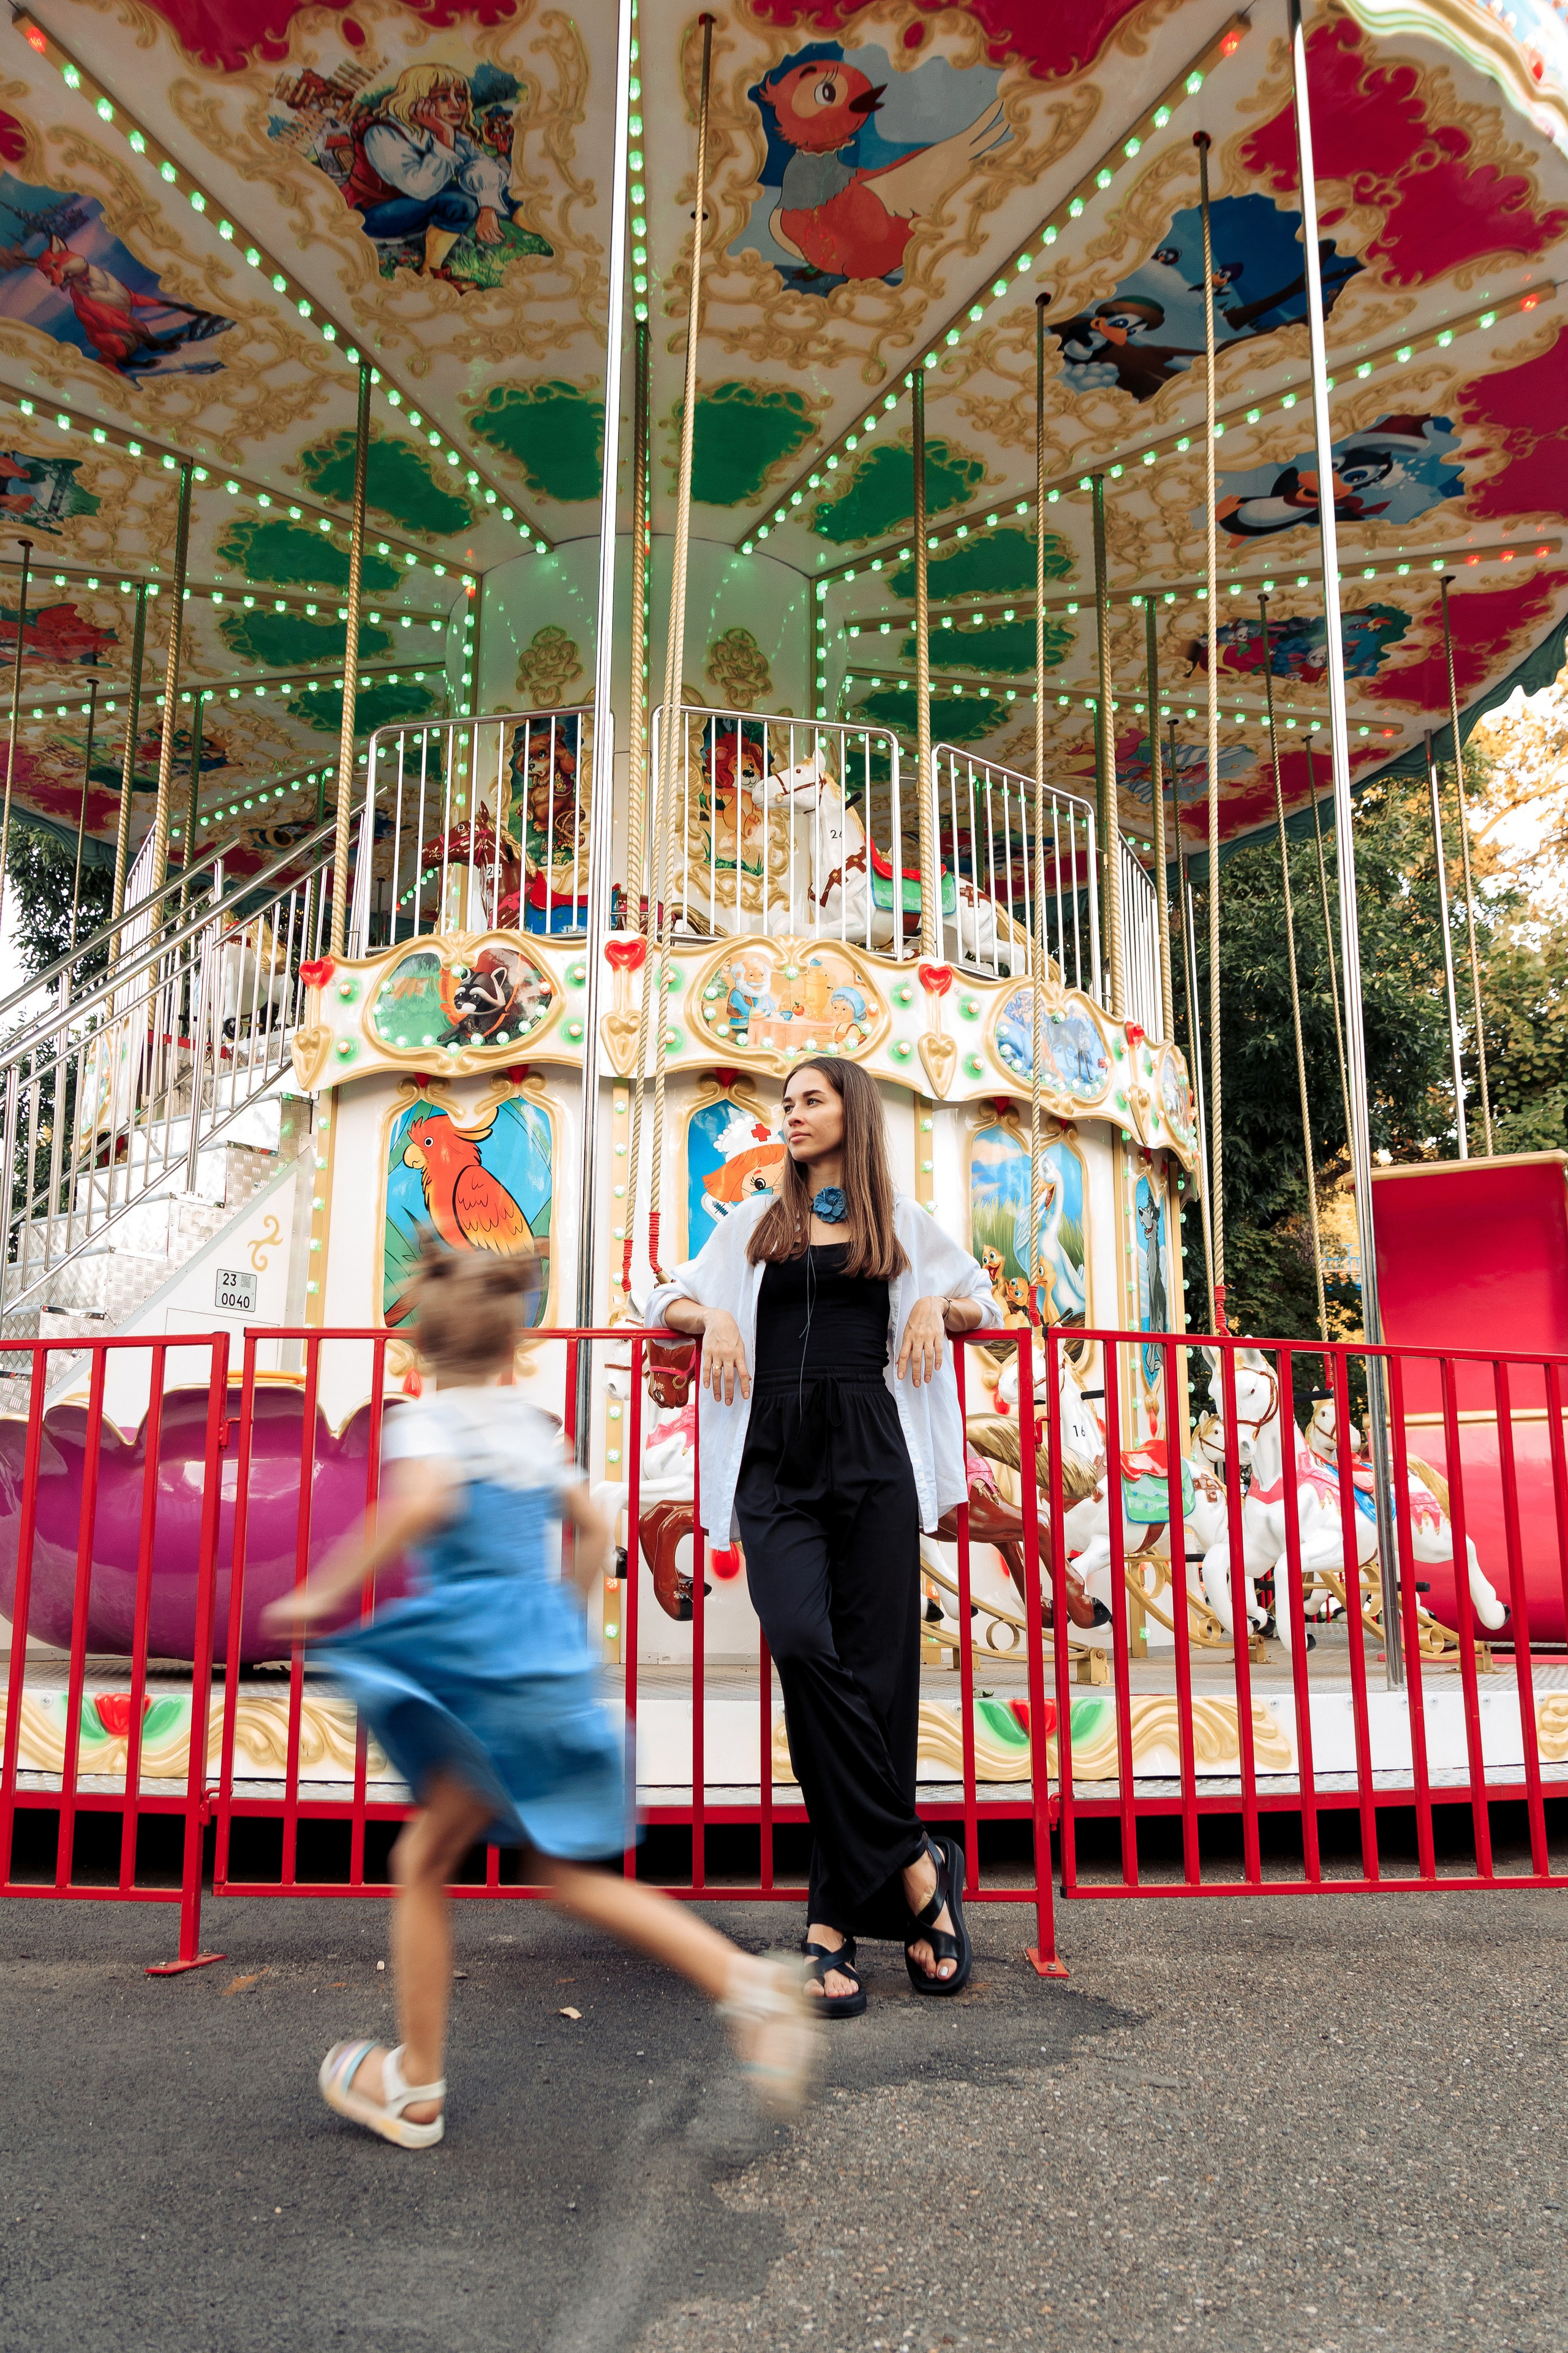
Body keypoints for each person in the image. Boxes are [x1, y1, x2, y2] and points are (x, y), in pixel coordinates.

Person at [260, 1245, 818, 2149]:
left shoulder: (429, 1425)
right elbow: (594, 1524)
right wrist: (568, 1609)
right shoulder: (536, 1428)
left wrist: (325, 1590)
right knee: (556, 1873)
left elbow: (420, 1504)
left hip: (479, 1673)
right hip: (540, 1667)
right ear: (513, 1350)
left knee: (422, 1865)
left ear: (424, 1352)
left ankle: (416, 2083)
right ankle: (747, 1986)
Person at [647, 1057, 992, 2016]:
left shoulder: (898, 1223)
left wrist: (933, 1303)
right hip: (776, 1457)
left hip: (874, 1450)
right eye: (786, 1103)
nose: (790, 1115)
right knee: (804, 1646)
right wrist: (710, 1313)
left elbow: (983, 1304)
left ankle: (832, 1921)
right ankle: (920, 1868)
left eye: (809, 1100)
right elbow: (658, 1297)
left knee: (876, 1680)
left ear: (851, 1112)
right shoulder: (754, 1223)